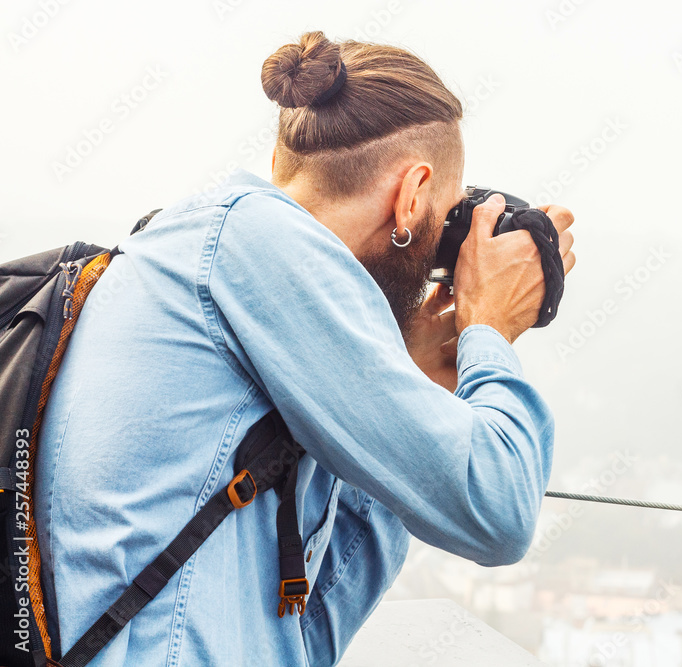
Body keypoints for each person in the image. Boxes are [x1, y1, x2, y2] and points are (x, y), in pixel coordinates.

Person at [34, 30, 575, 666]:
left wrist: (414, 381)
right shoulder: (258, 244)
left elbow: (303, 636)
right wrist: (489, 328)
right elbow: (500, 510)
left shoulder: (203, 246)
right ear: (412, 194)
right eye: (448, 212)